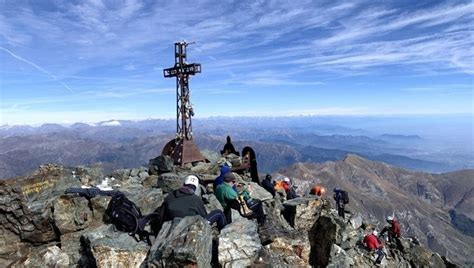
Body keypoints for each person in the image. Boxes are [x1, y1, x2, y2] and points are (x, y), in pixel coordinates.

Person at [161, 175, 227, 230]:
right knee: (218, 213)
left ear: (184, 184)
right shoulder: (196, 199)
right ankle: (225, 232)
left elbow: (162, 213)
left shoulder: (171, 195)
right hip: (190, 228)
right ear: (195, 188)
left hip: (170, 225)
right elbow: (203, 216)